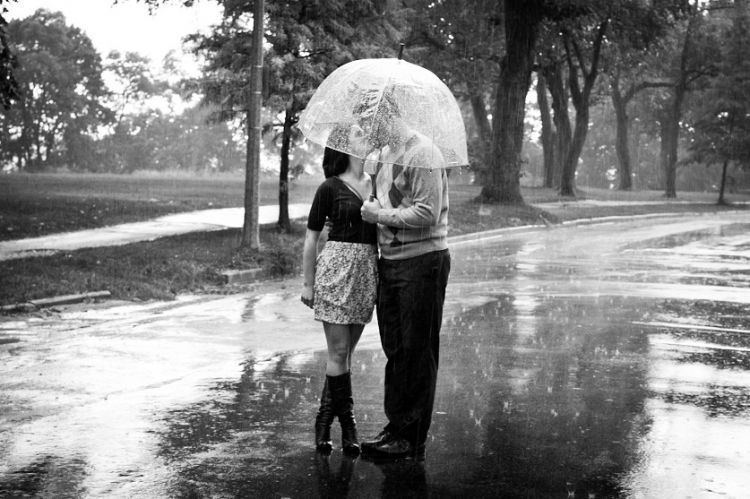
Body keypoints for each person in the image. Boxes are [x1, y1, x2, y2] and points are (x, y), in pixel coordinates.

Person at [359, 93, 451, 460]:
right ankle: (396, 426)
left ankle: (411, 436)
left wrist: (379, 216)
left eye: (369, 121)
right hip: (391, 262)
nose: (365, 129)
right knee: (396, 348)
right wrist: (372, 203)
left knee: (417, 349)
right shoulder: (382, 156)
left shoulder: (423, 153)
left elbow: (427, 212)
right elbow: (386, 205)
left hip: (423, 261)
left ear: (387, 116)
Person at [301, 122, 378, 456]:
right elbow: (311, 237)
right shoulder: (329, 188)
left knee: (344, 355)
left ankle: (323, 419)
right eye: (360, 134)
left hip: (365, 273)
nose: (367, 137)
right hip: (334, 271)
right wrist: (307, 282)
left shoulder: (375, 184)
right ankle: (348, 426)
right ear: (346, 146)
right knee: (337, 352)